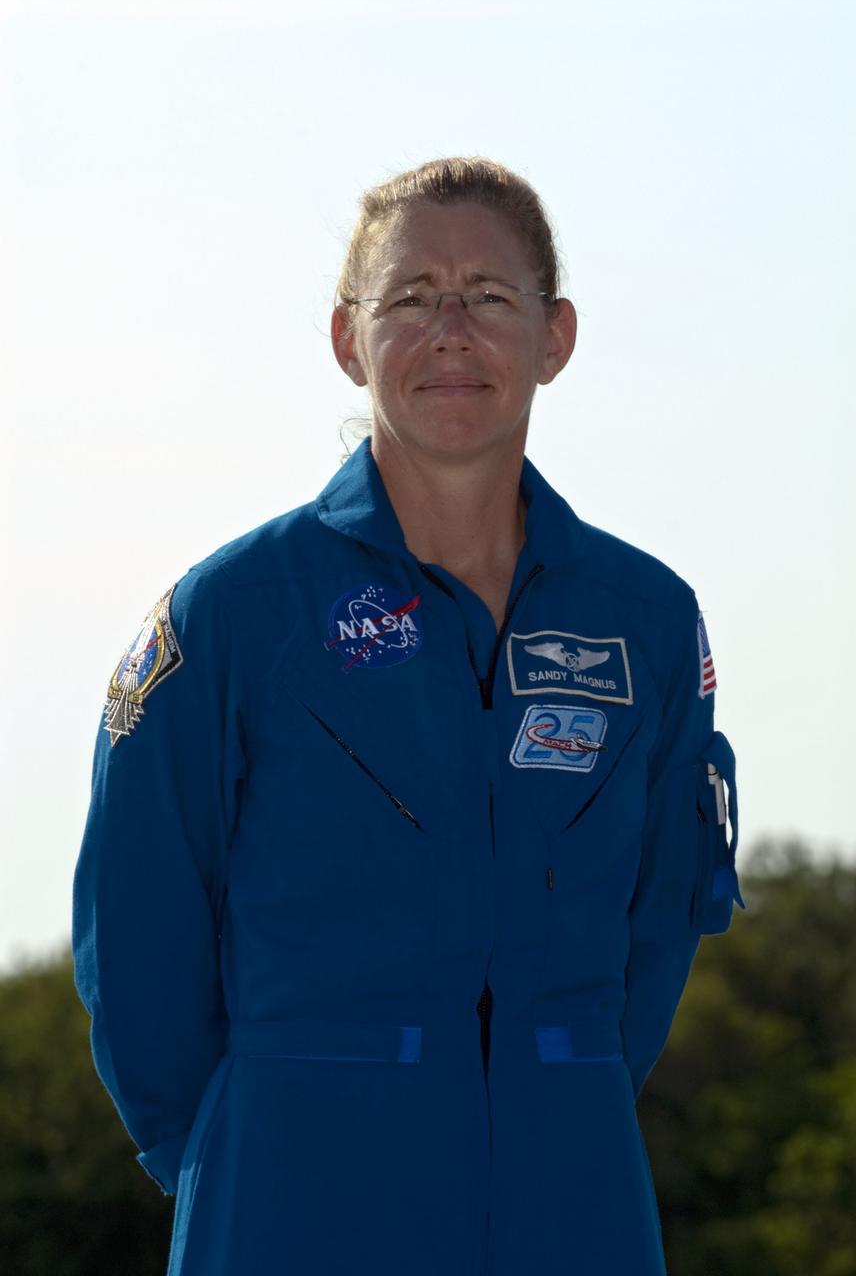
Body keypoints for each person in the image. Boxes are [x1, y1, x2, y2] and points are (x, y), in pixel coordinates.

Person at [72, 156, 744, 1276]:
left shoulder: (647, 619)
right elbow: (137, 936)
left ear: (554, 336)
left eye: (489, 296)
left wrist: (548, 1092)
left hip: (571, 1192)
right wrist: (242, 1147)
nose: (450, 330)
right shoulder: (236, 612)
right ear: (348, 338)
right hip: (292, 1192)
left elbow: (661, 920)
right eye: (409, 299)